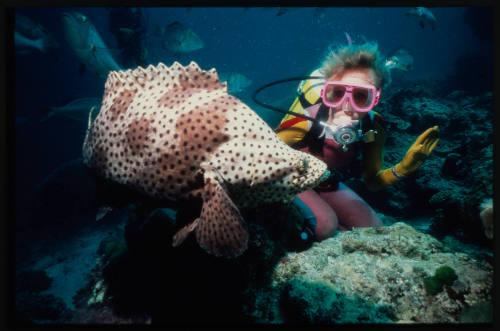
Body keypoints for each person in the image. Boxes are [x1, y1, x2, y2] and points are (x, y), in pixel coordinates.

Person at [276, 42, 439, 241]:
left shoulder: (374, 126)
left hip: (324, 180)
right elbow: (265, 157)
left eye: (361, 97)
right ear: (326, 93)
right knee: (324, 225)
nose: (347, 106)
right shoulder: (305, 121)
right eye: (337, 93)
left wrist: (403, 169)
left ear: (376, 98)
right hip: (288, 176)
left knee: (373, 230)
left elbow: (372, 181)